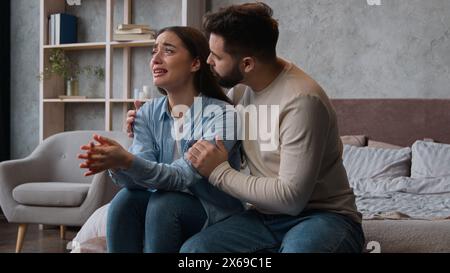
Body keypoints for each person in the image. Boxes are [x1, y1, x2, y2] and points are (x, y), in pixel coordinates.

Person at [127, 3, 365, 253]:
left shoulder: (302, 101)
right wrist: (145, 123)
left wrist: (219, 172)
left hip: (322, 216)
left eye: (217, 57)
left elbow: (291, 199)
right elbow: (203, 127)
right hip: (263, 217)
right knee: (194, 252)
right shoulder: (241, 90)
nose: (208, 60)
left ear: (248, 64)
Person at [78, 26, 243, 253]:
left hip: (212, 210)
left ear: (195, 63)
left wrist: (127, 161)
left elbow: (182, 178)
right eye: (153, 52)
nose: (155, 59)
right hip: (162, 207)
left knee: (164, 203)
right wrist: (117, 165)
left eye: (168, 51)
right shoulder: (146, 113)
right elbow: (136, 182)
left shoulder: (223, 115)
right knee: (125, 199)